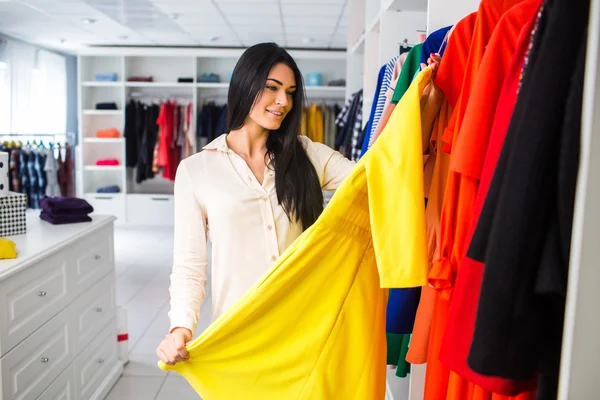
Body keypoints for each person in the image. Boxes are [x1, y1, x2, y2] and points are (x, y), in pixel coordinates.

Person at [156, 42, 356, 366]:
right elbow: (190, 266)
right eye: (272, 88)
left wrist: (414, 111)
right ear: (245, 85)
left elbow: (370, 177)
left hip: (304, 329)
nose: (284, 102)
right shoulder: (196, 170)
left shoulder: (305, 154)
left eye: (290, 92)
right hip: (239, 333)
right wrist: (181, 326)